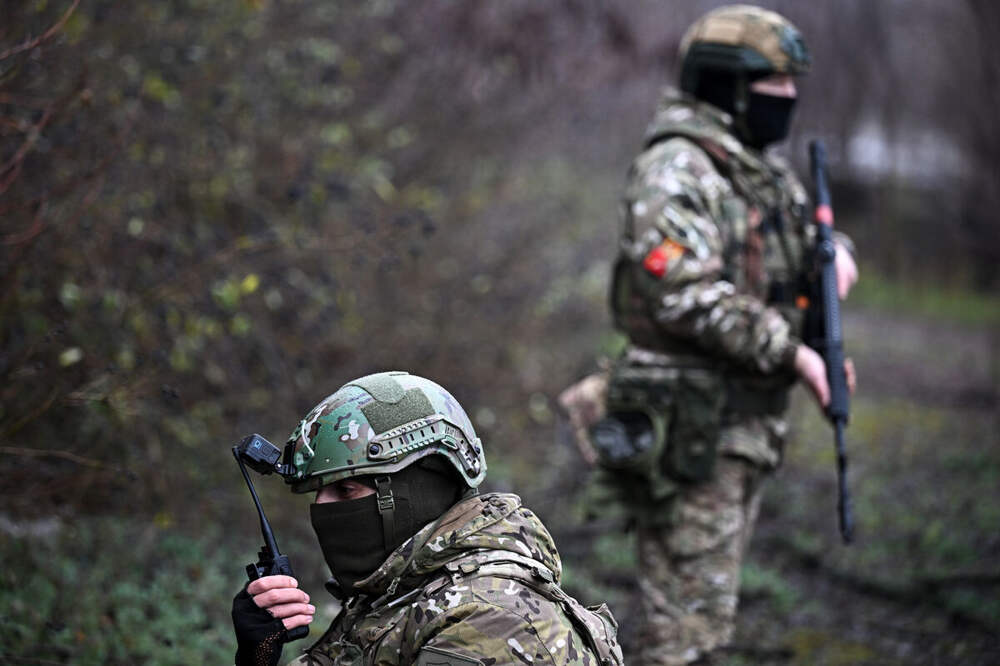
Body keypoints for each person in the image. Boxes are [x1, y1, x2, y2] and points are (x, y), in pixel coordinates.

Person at [559, 5, 858, 665]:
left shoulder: (752, 166)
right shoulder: (677, 167)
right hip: (690, 426)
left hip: (739, 425)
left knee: (705, 618)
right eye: (776, 85)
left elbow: (797, 236)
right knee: (680, 632)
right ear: (729, 86)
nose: (790, 98)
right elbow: (680, 290)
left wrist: (835, 253)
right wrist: (791, 352)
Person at [232, 371, 624, 666]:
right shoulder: (394, 597)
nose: (324, 510)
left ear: (415, 493)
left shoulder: (493, 620)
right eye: (318, 494)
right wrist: (258, 655)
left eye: (346, 491)